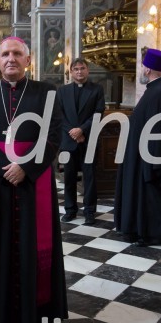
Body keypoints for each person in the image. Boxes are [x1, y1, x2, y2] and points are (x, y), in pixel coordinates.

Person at [0, 37, 67, 323]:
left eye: (17, 54)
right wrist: (4, 168)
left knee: (33, 243)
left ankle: (37, 309)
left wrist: (26, 167)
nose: (11, 58)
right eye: (5, 54)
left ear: (28, 60)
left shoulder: (46, 92)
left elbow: (53, 135)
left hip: (33, 181)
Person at [114, 48, 161, 247]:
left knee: (150, 193)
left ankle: (151, 234)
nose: (141, 70)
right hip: (141, 153)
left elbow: (158, 128)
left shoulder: (159, 92)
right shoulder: (156, 90)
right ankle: (138, 230)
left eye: (142, 66)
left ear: (148, 69)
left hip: (149, 156)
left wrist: (152, 160)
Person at [57, 58, 106, 224]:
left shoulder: (97, 89)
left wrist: (82, 130)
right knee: (69, 177)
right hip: (68, 140)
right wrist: (74, 133)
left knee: (90, 178)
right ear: (71, 72)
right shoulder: (62, 91)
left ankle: (89, 212)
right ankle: (70, 210)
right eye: (76, 69)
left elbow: (98, 113)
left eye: (82, 68)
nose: (79, 71)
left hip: (89, 139)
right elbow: (59, 115)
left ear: (88, 70)